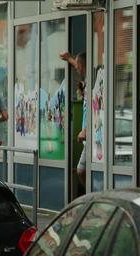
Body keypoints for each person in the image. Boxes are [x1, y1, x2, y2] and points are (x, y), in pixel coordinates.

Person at [60, 51, 87, 186]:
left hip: (91, 135)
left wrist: (86, 130)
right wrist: (69, 59)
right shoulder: (88, 81)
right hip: (88, 136)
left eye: (78, 66)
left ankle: (93, 196)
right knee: (83, 170)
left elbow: (98, 110)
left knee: (81, 170)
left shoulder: (93, 81)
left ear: (82, 66)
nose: (76, 68)